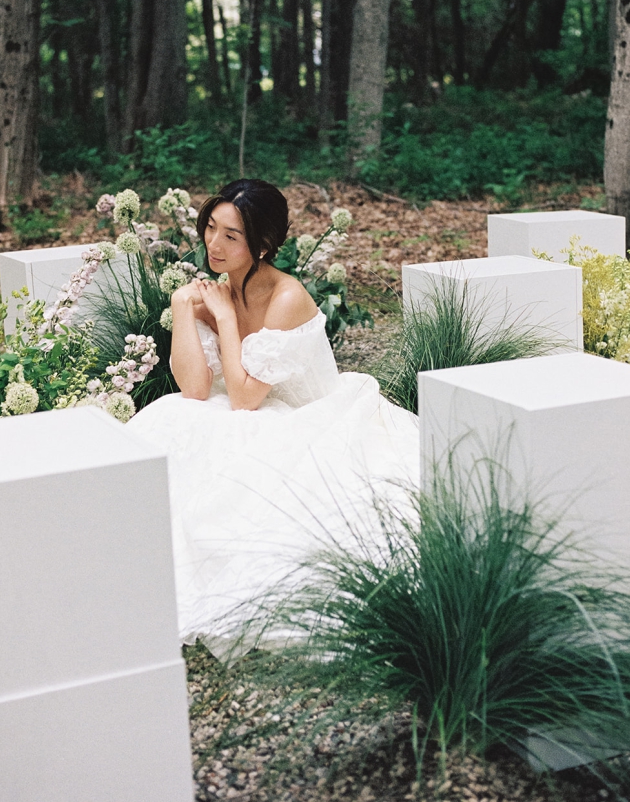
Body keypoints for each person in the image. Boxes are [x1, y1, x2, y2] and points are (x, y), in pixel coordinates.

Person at [126, 179, 418, 647]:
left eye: (231, 236)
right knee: (171, 418)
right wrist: (184, 306)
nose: (213, 244)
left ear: (262, 245)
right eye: (211, 227)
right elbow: (196, 388)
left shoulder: (287, 298)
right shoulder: (220, 287)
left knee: (233, 448)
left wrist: (222, 318)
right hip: (253, 409)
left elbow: (243, 396)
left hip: (312, 421)